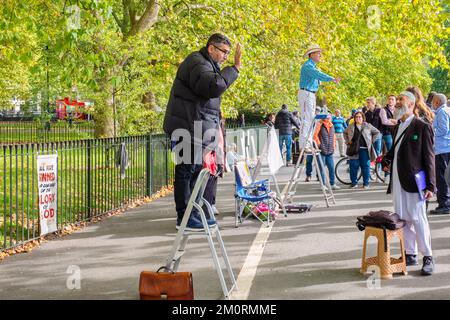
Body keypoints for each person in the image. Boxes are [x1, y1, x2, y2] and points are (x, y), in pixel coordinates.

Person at [163, 33, 242, 231]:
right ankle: (185, 217)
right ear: (211, 49)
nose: (226, 56)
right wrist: (234, 69)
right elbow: (213, 87)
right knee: (186, 171)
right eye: (223, 52)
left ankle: (193, 213)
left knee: (195, 172)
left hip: (194, 126)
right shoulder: (197, 63)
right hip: (187, 127)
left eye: (228, 54)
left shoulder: (205, 64)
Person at [383, 91, 435, 275]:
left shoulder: (422, 126)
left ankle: (427, 256)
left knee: (418, 218)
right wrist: (386, 160)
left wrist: (431, 185)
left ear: (411, 104)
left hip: (416, 181)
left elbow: (429, 157)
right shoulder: (397, 127)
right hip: (397, 180)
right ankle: (410, 254)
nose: (397, 103)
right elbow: (395, 150)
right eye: (396, 100)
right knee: (402, 217)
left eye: (400, 100)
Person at [297, 44, 341, 150]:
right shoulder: (308, 66)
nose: (320, 55)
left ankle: (308, 141)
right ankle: (304, 145)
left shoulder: (312, 66)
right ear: (311, 54)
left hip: (310, 94)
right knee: (306, 119)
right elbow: (319, 75)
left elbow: (318, 78)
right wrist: (332, 79)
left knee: (311, 119)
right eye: (318, 53)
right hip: (306, 93)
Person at [344, 111, 381, 189]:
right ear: (354, 118)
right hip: (353, 149)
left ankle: (366, 184)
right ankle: (354, 183)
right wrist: (347, 141)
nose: (358, 118)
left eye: (360, 117)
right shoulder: (350, 126)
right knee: (353, 166)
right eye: (356, 117)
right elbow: (345, 133)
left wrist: (371, 141)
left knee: (365, 167)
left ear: (363, 118)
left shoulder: (368, 125)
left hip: (365, 150)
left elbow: (377, 132)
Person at [429, 93, 450, 215]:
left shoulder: (442, 112)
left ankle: (444, 204)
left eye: (433, 101)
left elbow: (443, 129)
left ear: (437, 102)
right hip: (445, 148)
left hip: (442, 149)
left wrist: (431, 131)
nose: (432, 103)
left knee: (441, 177)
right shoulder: (446, 110)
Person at [313, 114, 340, 190]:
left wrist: (334, 145)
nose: (328, 118)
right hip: (322, 150)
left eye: (329, 117)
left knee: (331, 167)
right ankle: (323, 185)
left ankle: (332, 184)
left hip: (330, 150)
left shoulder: (331, 125)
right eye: (327, 117)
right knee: (322, 168)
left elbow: (333, 136)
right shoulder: (319, 124)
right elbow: (315, 135)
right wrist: (319, 144)